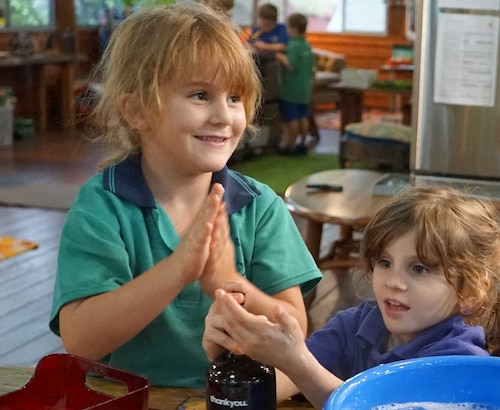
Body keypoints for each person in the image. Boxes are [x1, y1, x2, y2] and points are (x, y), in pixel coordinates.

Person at [49, 2, 322, 389]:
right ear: (137, 110)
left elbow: (293, 328)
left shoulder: (258, 206)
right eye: (199, 95)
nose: (224, 116)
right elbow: (80, 340)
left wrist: (228, 280)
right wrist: (178, 270)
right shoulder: (104, 206)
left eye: (234, 97)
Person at [202, 186, 500, 408]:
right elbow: (284, 382)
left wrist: (295, 359)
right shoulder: (357, 325)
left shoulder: (461, 361)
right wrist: (237, 358)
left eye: (420, 269)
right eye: (385, 263)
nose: (394, 282)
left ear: (470, 290)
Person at [275, 12, 315, 156]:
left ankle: (290, 145)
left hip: (291, 90)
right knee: (303, 117)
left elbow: (291, 65)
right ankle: (302, 143)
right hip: (305, 90)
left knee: (292, 118)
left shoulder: (293, 45)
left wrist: (279, 56)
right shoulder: (307, 46)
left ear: (293, 28)